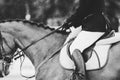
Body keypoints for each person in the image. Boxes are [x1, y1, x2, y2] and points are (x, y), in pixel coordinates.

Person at [59, 0, 113, 79]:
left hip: (93, 26)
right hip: (94, 23)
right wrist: (69, 23)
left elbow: (83, 11)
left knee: (74, 48)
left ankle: (81, 76)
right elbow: (86, 12)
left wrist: (69, 21)